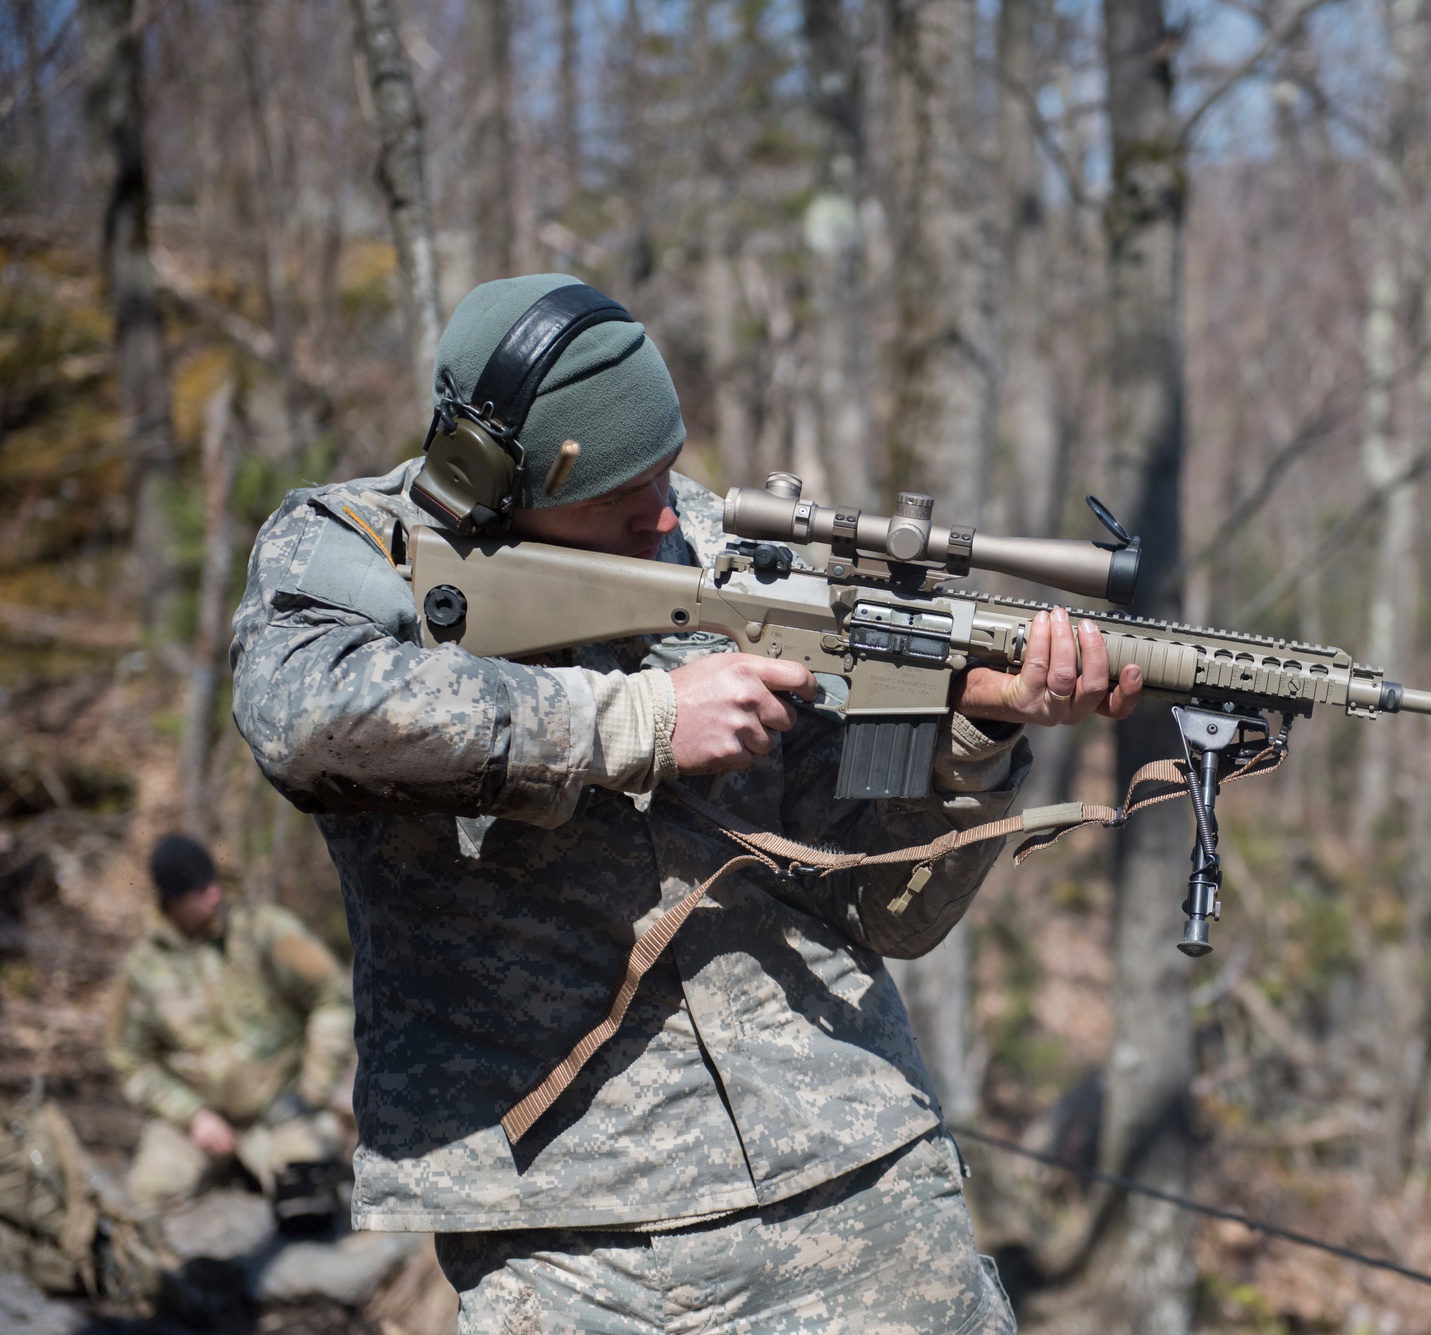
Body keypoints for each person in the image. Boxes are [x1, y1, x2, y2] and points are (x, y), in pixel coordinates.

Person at [228, 273, 1142, 1333]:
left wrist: (975, 738)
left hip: (856, 1172)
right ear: (486, 476)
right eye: (621, 494)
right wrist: (644, 721)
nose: (665, 513)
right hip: (571, 1235)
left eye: (666, 470)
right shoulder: (348, 548)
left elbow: (881, 905)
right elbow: (306, 720)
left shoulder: (725, 548)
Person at [105, 835, 354, 1219]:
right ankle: (231, 1173)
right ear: (172, 901)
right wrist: (191, 1115)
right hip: (198, 1121)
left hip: (282, 1108)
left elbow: (331, 996)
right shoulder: (142, 970)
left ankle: (273, 1170)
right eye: (198, 890)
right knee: (151, 1196)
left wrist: (311, 1090)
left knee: (305, 1192)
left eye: (213, 881)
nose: (214, 894)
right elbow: (129, 1060)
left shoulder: (263, 932)